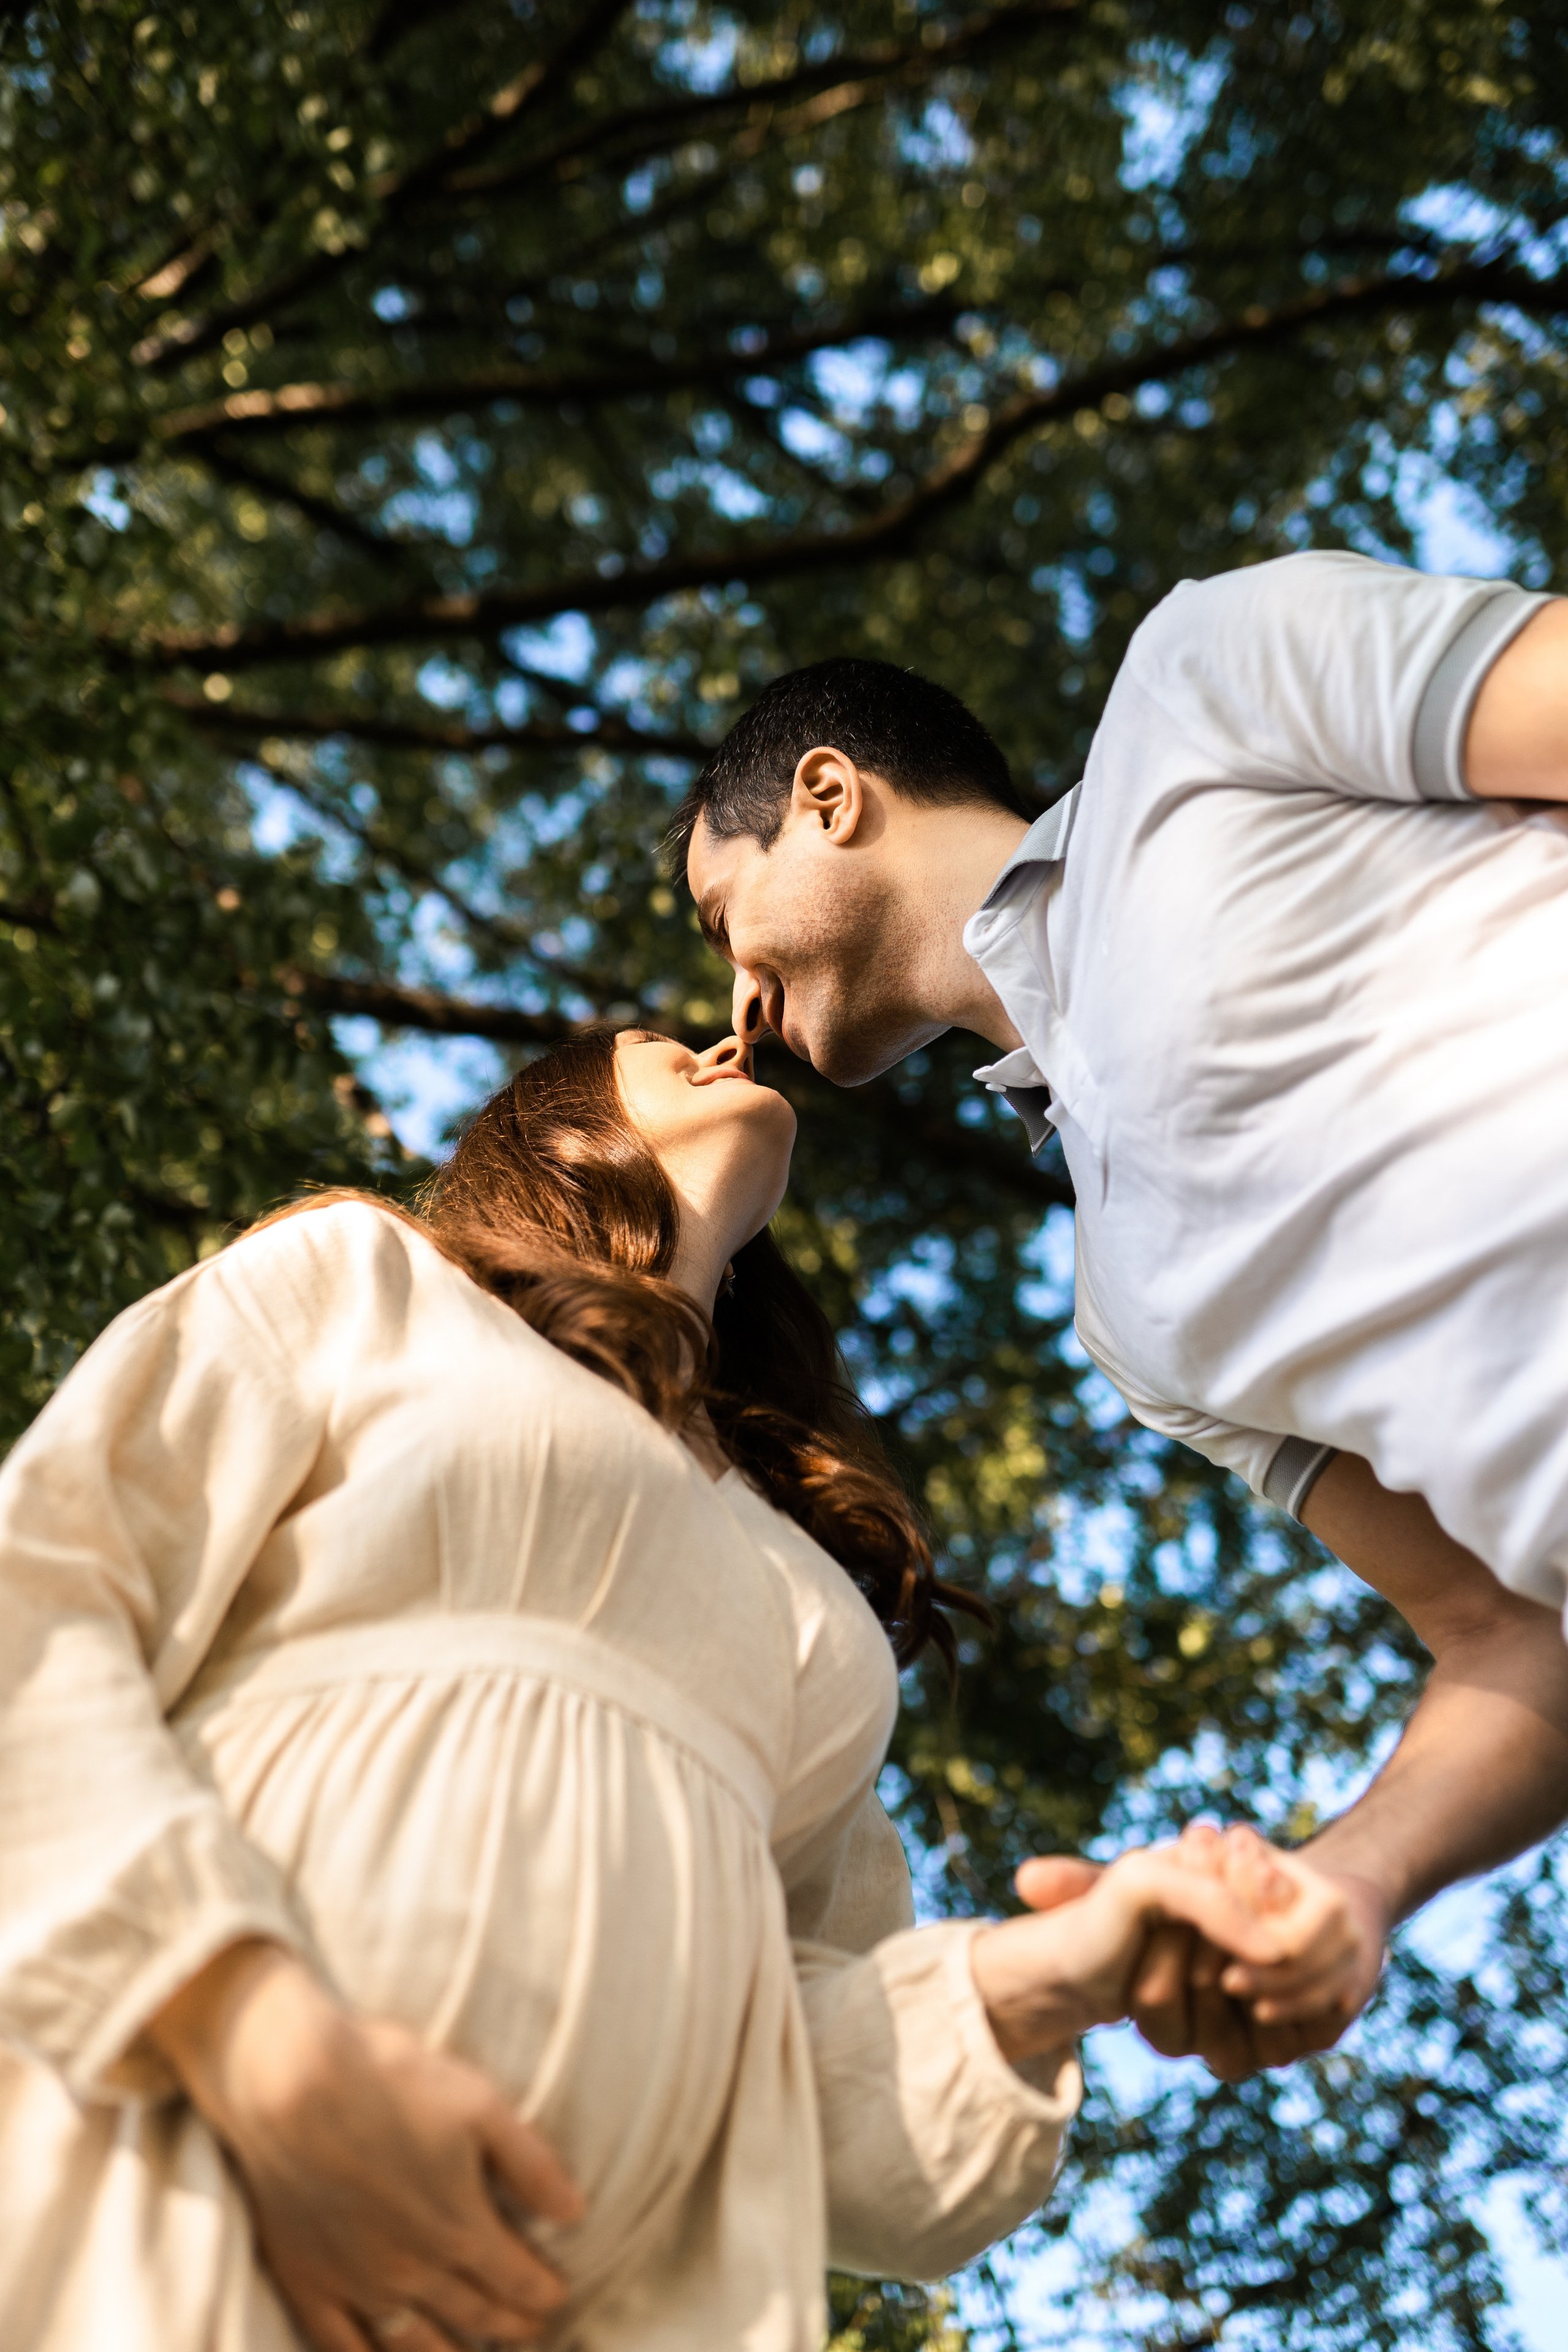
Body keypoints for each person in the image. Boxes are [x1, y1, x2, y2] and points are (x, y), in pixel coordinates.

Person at [0, 1023, 1344, 2352]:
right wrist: (239, 2025)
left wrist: (1047, 1975)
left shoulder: (810, 1582)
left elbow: (808, 2090)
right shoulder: (360, 1277)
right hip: (173, 2172)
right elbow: (42, 1603)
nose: (720, 1035)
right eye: (652, 1037)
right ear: (551, 1117)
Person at [675, 550, 1568, 2073]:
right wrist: (1346, 1881)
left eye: (719, 916)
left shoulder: (1201, 689)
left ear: (825, 794)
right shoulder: (1124, 1313)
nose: (729, 1000)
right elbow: (1508, 1641)